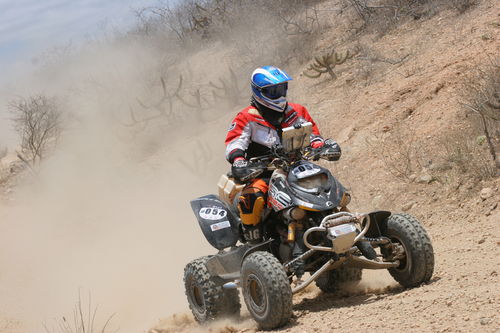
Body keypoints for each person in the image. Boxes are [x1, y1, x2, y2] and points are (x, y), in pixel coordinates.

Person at [224, 66, 339, 243]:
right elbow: (235, 142)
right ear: (259, 91)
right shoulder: (246, 117)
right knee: (252, 195)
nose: (279, 95)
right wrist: (239, 160)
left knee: (327, 181)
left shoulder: (297, 111)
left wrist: (321, 145)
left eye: (281, 89)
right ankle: (254, 239)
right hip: (264, 171)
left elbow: (314, 134)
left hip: (298, 167)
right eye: (272, 91)